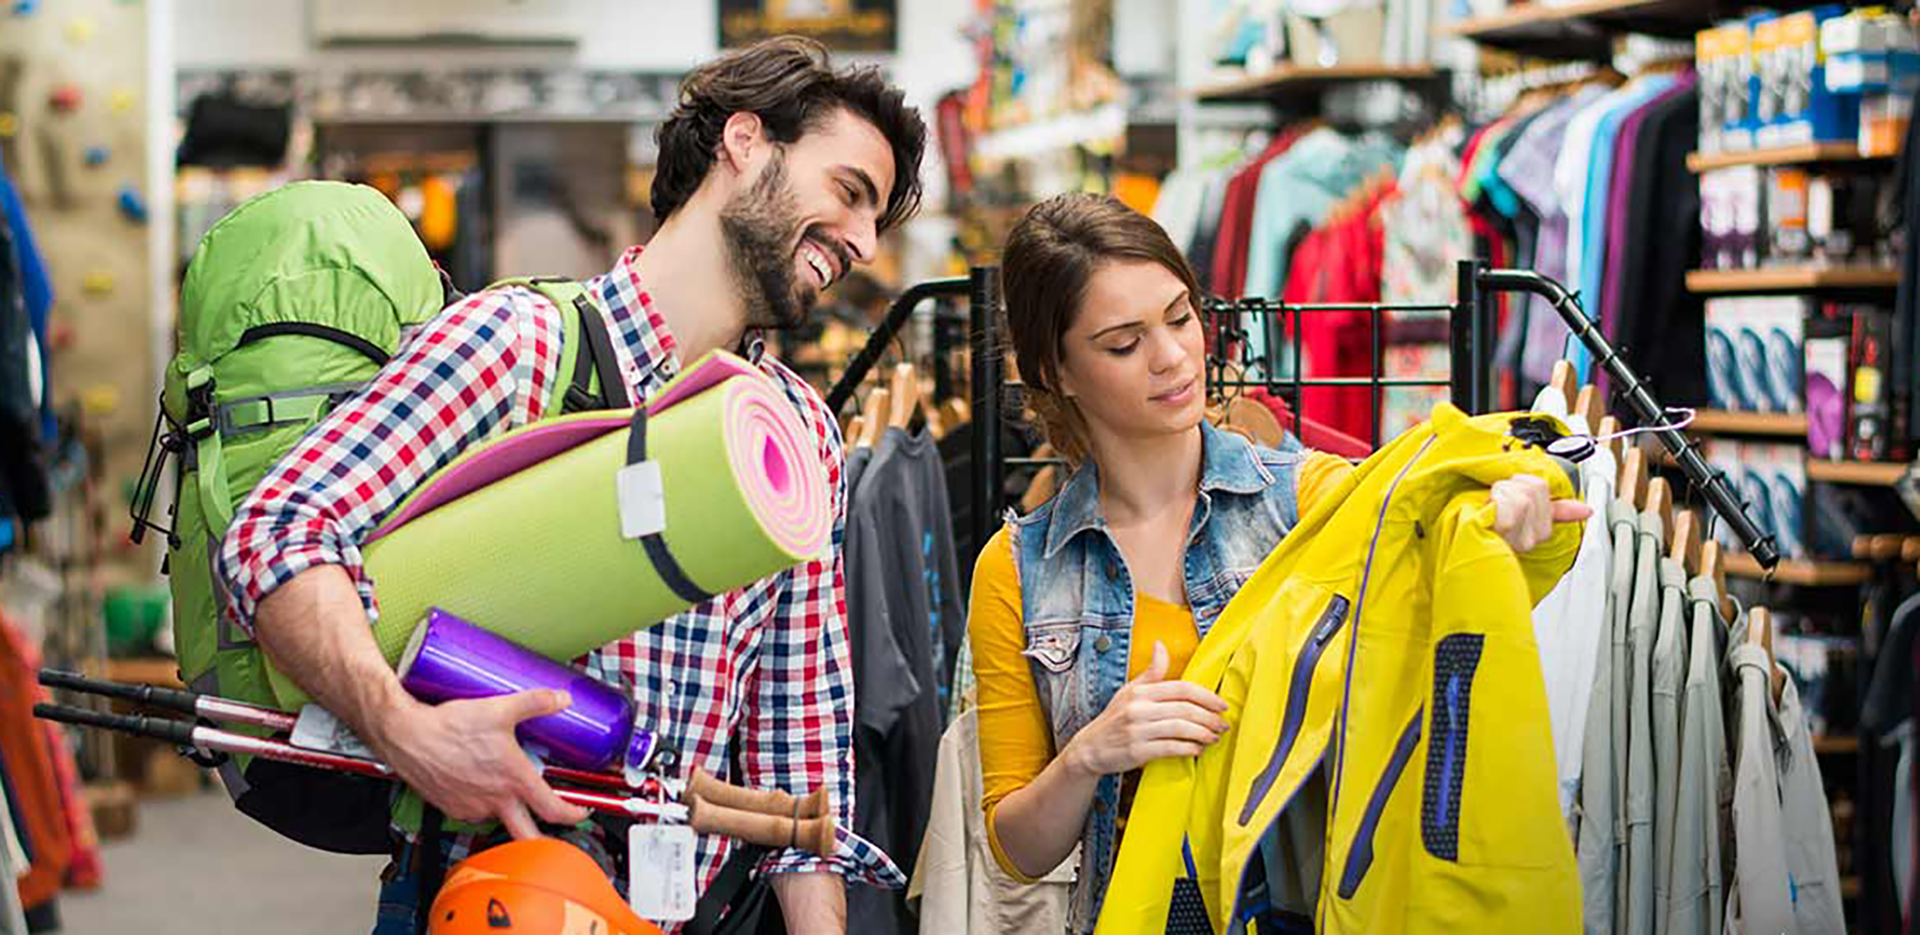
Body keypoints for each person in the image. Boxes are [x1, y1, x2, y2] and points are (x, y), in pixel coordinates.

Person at [215, 36, 925, 934]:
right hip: (486, 900)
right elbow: (275, 532)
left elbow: (796, 735)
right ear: (745, 141)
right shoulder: (518, 347)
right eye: (850, 192)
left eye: (876, 222)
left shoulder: (795, 435)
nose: (862, 241)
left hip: (673, 914)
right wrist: (403, 728)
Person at [968, 193, 1590, 933]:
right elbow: (1019, 849)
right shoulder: (1018, 568)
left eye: (1179, 317)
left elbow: (1439, 518)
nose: (1172, 356)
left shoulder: (1310, 499)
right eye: (1123, 342)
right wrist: (1091, 754)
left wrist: (1516, 503)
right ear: (1057, 369)